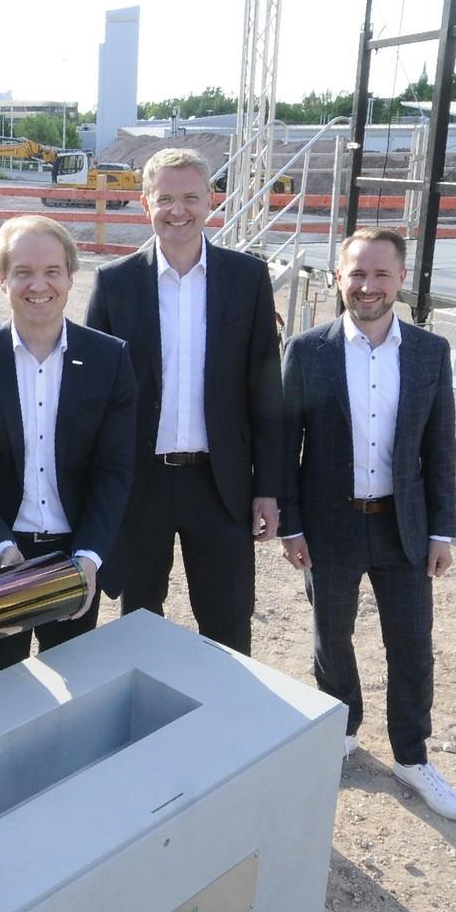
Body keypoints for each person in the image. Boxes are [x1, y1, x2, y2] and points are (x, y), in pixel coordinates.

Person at [278, 228, 456, 821]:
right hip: (330, 525)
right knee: (331, 638)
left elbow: (440, 448)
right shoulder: (308, 351)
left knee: (411, 644)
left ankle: (412, 757)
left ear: (401, 280)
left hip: (403, 528)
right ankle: (342, 729)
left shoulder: (428, 352)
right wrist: (290, 525)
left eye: (381, 274)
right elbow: (287, 446)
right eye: (357, 273)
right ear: (338, 277)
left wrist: (441, 530)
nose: (368, 286)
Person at [84, 146, 283, 653]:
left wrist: (269, 486)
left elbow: (265, 389)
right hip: (140, 484)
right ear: (145, 201)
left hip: (220, 484)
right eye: (166, 198)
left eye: (190, 197)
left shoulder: (247, 279)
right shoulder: (115, 283)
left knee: (228, 624)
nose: (179, 211)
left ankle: (229, 726)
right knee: (140, 622)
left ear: (210, 198)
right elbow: (93, 399)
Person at [0, 214, 138, 678]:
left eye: (52, 271)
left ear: (71, 277)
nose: (38, 284)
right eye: (23, 271)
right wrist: (5, 552)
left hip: (74, 554)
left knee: (71, 694)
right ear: (1, 279)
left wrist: (89, 558)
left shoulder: (110, 359)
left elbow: (115, 471)